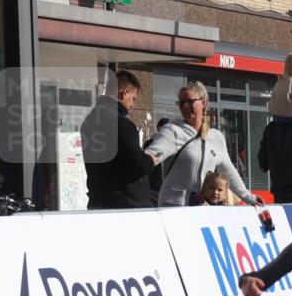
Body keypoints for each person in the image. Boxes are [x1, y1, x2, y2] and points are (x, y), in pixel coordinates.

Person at [146, 82, 262, 207]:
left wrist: (249, 197)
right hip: (174, 207)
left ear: (203, 102)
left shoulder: (216, 137)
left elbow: (229, 172)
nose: (185, 106)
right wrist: (147, 159)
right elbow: (152, 154)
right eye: (181, 102)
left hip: (203, 207)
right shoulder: (172, 130)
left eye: (190, 101)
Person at [80, 70, 157, 209]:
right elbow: (139, 164)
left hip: (98, 202)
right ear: (125, 92)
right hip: (124, 206)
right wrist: (150, 160)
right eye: (133, 98)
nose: (133, 105)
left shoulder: (88, 122)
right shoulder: (121, 124)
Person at [145, 117, 170, 207]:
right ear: (159, 128)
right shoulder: (150, 143)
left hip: (167, 182)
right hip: (154, 182)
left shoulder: (171, 143)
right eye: (165, 127)